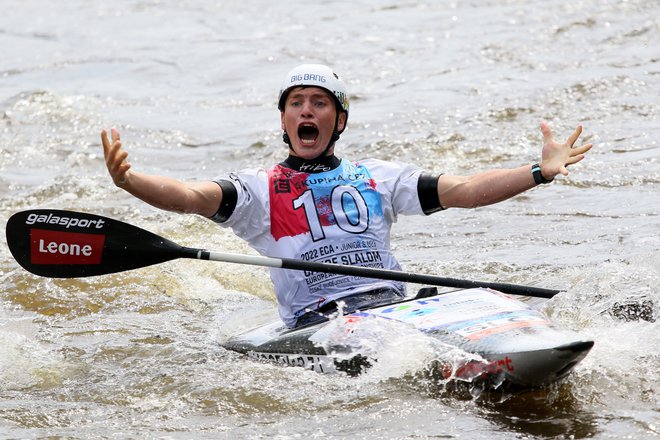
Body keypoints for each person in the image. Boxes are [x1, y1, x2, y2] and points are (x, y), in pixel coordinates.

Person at [101, 64, 592, 328]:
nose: (306, 111)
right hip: (320, 321)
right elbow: (187, 196)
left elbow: (462, 190)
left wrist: (538, 172)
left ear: (339, 120)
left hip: (392, 305)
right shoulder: (255, 190)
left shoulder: (376, 177)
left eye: (319, 103)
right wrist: (131, 181)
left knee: (500, 305)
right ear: (284, 120)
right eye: (296, 104)